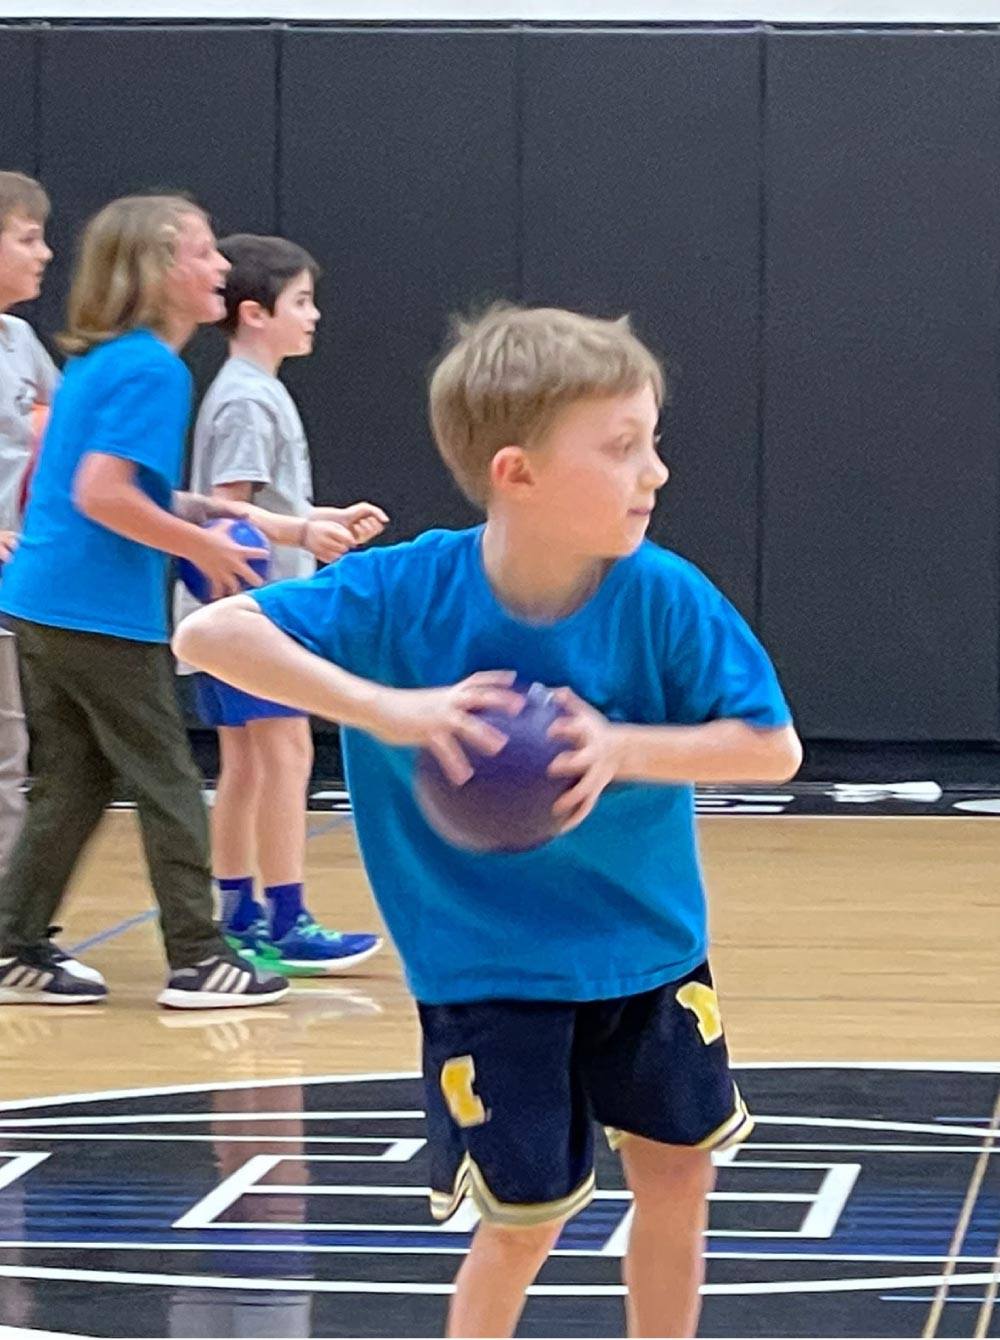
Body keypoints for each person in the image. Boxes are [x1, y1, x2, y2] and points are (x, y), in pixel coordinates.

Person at [174, 304, 802, 1335]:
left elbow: (769, 748)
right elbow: (207, 632)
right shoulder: (403, 591)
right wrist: (388, 708)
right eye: (621, 447)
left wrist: (617, 746)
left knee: (679, 1178)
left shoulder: (664, 596)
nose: (656, 472)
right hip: (488, 976)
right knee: (522, 1221)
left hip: (650, 954)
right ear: (516, 472)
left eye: (652, 440)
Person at [0, 193, 291, 1009]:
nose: (221, 268)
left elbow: (108, 485)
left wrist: (211, 513)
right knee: (167, 777)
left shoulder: (104, 360)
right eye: (203, 252)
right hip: (95, 610)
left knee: (75, 782)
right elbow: (101, 493)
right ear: (160, 271)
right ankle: (199, 957)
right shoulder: (153, 370)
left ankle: (13, 944)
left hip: (41, 603)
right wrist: (198, 545)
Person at [177, 232, 386, 975]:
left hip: (240, 612)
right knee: (283, 754)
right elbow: (226, 515)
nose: (315, 315)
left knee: (248, 766)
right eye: (301, 301)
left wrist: (314, 523)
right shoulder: (247, 399)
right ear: (256, 313)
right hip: (255, 613)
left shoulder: (247, 392)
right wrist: (264, 598)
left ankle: (242, 914)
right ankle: (285, 917)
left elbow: (254, 510)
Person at [0, 172, 57, 885]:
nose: (44, 254)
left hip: (17, 582)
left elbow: (69, 433)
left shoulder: (19, 340)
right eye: (26, 238)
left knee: (11, 758)